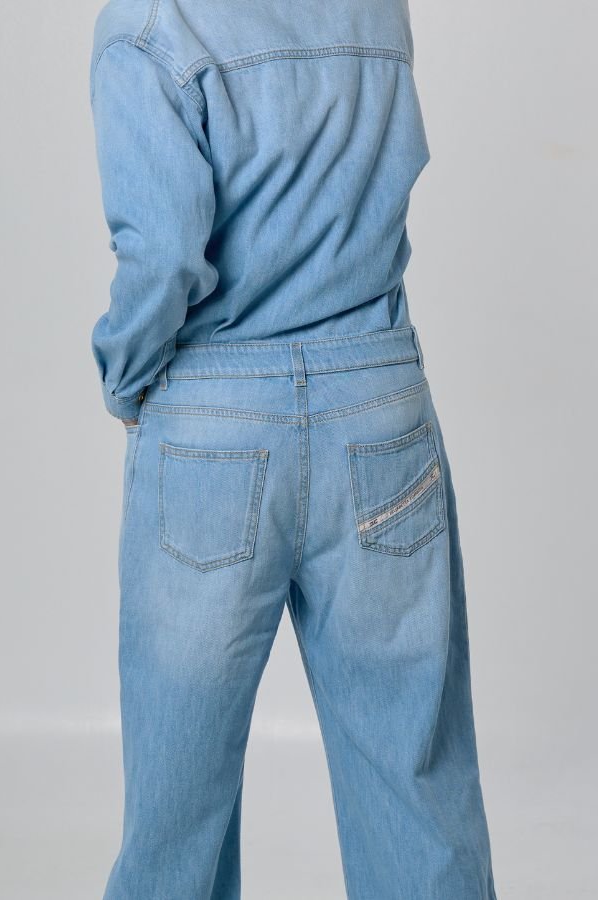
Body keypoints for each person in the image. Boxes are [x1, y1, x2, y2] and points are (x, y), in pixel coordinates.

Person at [88, 1, 497, 897]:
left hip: (214, 425)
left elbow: (163, 253)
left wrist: (124, 377)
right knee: (414, 778)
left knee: (177, 800)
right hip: (379, 407)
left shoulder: (148, 27)